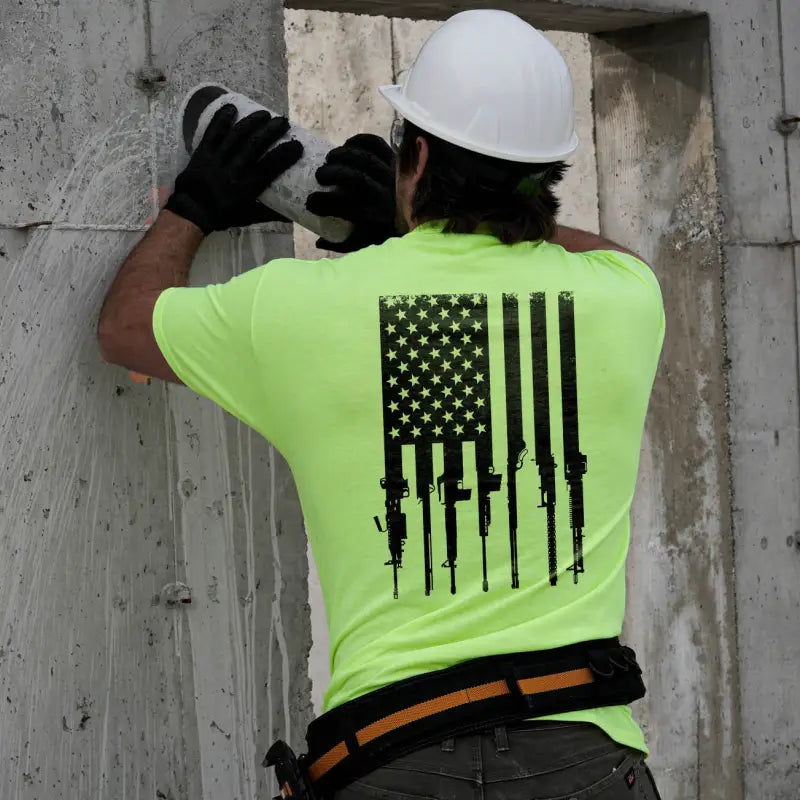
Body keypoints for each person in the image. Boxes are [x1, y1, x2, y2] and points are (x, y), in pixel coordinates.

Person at [99, 9, 664, 800]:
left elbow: (125, 327)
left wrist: (193, 204)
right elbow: (603, 255)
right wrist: (401, 224)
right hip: (583, 758)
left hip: (392, 759)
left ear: (419, 154)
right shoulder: (626, 302)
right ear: (550, 168)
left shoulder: (300, 312)